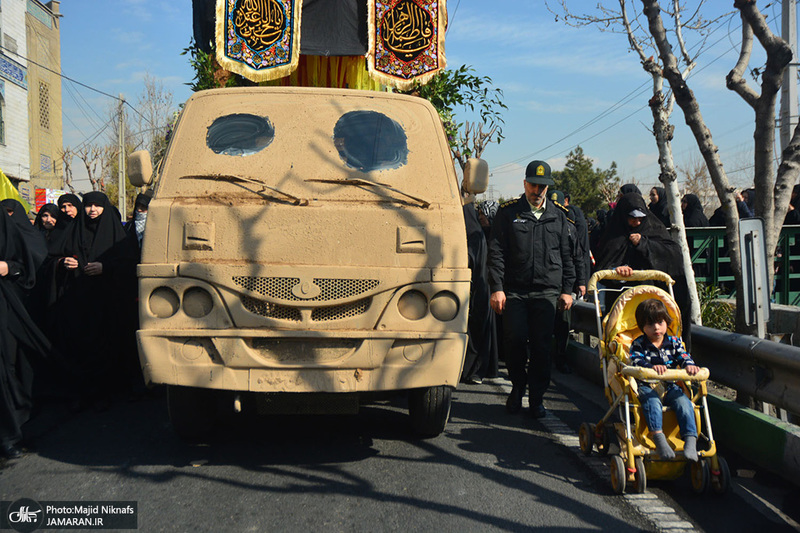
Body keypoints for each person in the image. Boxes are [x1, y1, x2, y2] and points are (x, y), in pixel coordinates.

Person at [488, 160, 575, 418]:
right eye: (533, 185)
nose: (537, 191)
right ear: (524, 184)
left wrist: (567, 290)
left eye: (543, 186)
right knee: (514, 340)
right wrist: (497, 288)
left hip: (546, 291)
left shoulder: (558, 215)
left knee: (541, 347)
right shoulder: (508, 213)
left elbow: (567, 255)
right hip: (515, 291)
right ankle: (517, 387)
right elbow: (496, 252)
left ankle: (536, 398)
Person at [47, 191, 138, 409]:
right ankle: (84, 391)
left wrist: (105, 267)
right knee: (81, 343)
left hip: (108, 301)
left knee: (109, 342)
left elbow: (129, 264)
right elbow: (52, 257)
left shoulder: (117, 235)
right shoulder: (74, 230)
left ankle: (110, 390)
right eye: (88, 206)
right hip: (79, 300)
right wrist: (62, 263)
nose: (92, 210)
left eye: (97, 206)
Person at [594, 192, 693, 349]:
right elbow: (602, 267)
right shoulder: (613, 235)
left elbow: (672, 256)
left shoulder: (654, 229)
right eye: (632, 218)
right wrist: (616, 271)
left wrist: (644, 244)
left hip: (652, 302)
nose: (637, 222)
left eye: (641, 218)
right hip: (623, 306)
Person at [0, 199, 52, 458]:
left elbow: (29, 268)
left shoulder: (13, 238)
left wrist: (9, 268)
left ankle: (12, 428)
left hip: (13, 311)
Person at [629, 298, 699, 461]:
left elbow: (683, 356)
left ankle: (690, 439)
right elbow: (636, 360)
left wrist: (689, 365)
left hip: (671, 385)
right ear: (642, 327)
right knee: (652, 402)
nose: (656, 328)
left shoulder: (674, 342)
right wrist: (650, 367)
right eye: (650, 324)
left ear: (667, 322)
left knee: (684, 403)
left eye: (660, 322)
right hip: (648, 385)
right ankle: (658, 437)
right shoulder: (639, 344)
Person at [549, 190, 588, 374]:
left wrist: (581, 281)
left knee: (563, 324)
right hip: (546, 283)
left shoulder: (570, 227)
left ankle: (561, 358)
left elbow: (578, 257)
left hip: (565, 284)